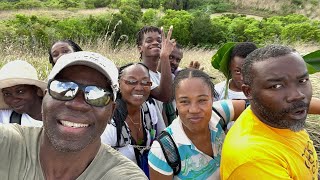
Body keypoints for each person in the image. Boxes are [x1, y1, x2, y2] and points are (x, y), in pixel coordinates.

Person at [0, 51, 147, 179]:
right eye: (63, 88)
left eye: (97, 94)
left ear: (111, 112)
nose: (77, 104)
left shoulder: (123, 176)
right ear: (44, 98)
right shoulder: (8, 144)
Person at [220, 45, 319, 179]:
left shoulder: (281, 118)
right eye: (276, 86)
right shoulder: (253, 159)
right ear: (249, 92)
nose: (298, 95)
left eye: (302, 80)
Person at [148, 69, 246, 179]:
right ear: (176, 102)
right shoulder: (164, 150)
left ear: (212, 100)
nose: (194, 110)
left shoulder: (218, 114)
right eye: (184, 101)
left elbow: (255, 108)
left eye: (202, 100)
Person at [101, 62, 166, 177]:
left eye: (145, 82)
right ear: (118, 84)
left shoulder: (150, 108)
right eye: (131, 82)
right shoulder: (109, 121)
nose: (139, 88)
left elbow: (164, 139)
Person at [0, 60, 45, 127]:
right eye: (7, 94)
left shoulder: (60, 118)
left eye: (20, 91)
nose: (14, 99)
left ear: (38, 91)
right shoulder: (5, 118)